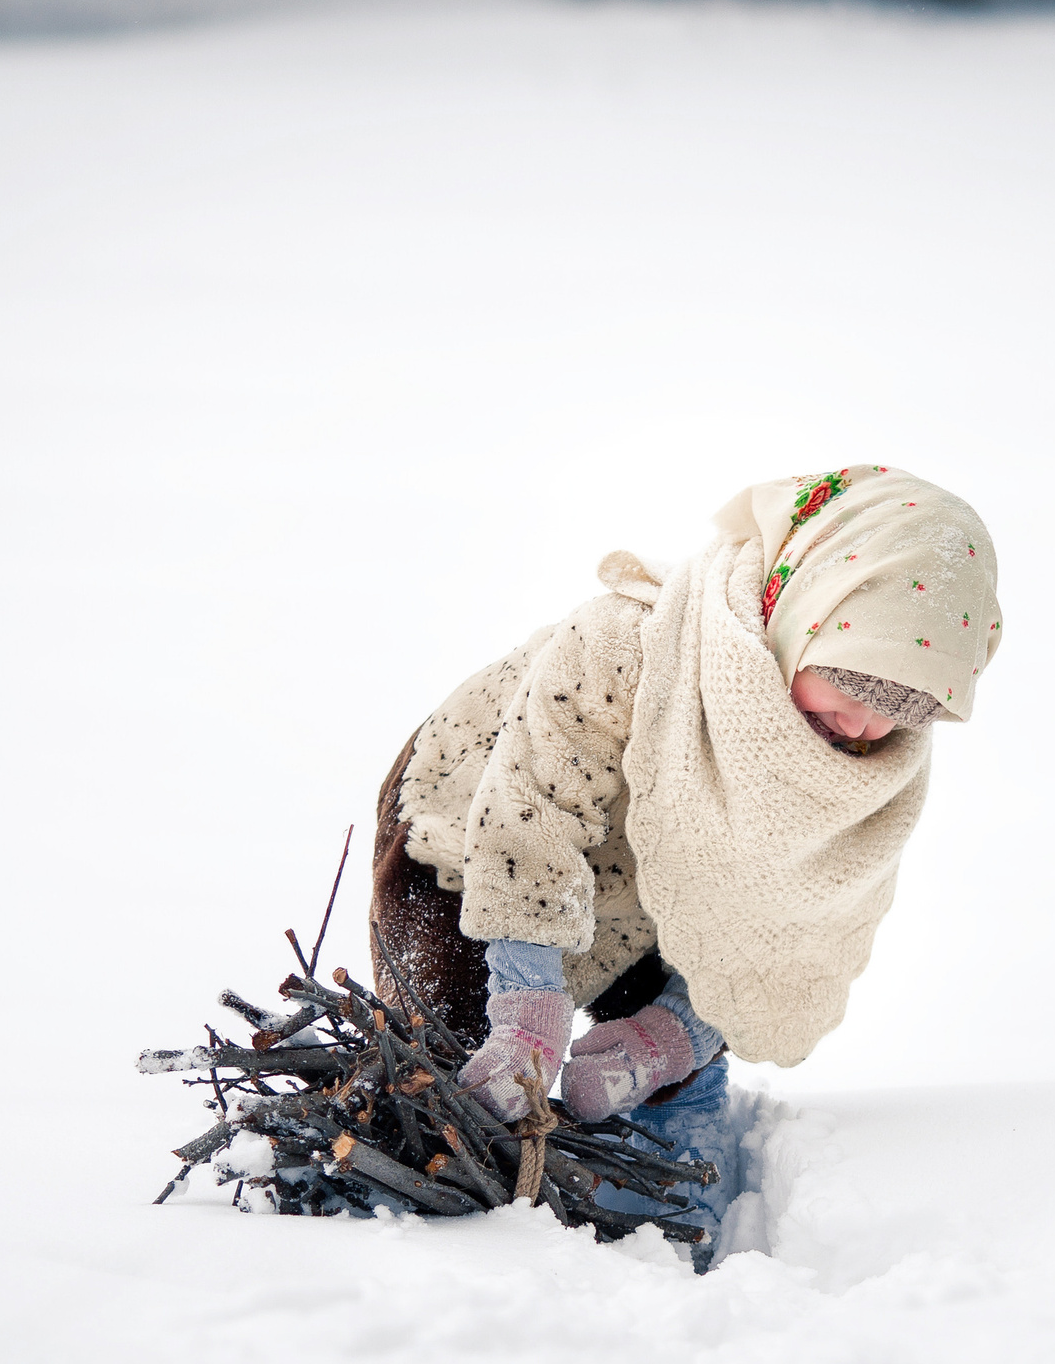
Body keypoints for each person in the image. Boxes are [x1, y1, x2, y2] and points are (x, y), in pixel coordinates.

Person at [368, 465, 1001, 1253]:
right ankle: (447, 1230)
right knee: (448, 1076)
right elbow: (532, 807)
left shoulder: (867, 762)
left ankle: (654, 1189)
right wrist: (529, 1001)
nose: (862, 727)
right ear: (800, 611)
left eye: (905, 710)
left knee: (689, 1013)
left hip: (658, 886)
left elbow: (794, 928)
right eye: (849, 683)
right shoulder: (627, 644)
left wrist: (672, 1035)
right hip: (475, 837)